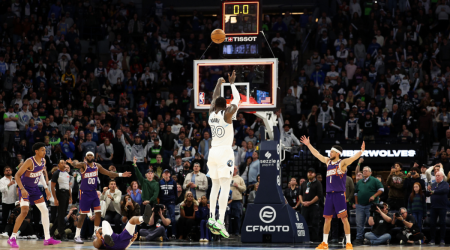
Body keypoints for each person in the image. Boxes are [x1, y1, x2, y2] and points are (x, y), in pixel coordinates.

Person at [300, 136, 365, 250]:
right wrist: (308, 145)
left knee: (344, 218)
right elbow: (317, 154)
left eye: (332, 151)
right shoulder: (328, 161)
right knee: (327, 218)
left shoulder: (342, 163)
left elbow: (353, 158)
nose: (330, 153)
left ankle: (348, 243)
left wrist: (361, 151)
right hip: (329, 194)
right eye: (330, 151)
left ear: (338, 153)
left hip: (339, 194)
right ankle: (324, 243)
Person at [66, 152, 131, 244]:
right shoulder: (84, 165)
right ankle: (77, 236)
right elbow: (76, 164)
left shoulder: (97, 166)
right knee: (83, 215)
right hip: (84, 193)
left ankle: (95, 233)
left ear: (94, 157)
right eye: (88, 155)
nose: (90, 156)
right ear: (85, 157)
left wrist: (121, 174)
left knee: (98, 212)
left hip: (93, 193)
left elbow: (108, 173)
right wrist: (71, 163)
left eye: (91, 155)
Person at [205, 70, 239, 238]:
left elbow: (214, 99)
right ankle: (221, 221)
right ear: (225, 106)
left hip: (212, 152)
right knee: (225, 186)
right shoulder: (228, 114)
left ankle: (212, 217)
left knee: (215, 186)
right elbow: (237, 101)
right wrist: (231, 84)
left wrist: (219, 83)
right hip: (225, 152)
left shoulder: (211, 114)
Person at [8, 142, 61, 248]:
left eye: (45, 150)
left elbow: (40, 173)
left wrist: (46, 188)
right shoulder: (29, 161)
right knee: (24, 212)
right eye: (42, 150)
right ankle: (12, 238)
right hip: (25, 188)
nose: (44, 152)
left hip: (35, 189)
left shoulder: (43, 161)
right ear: (36, 151)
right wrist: (22, 189)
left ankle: (47, 238)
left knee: (45, 210)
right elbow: (17, 175)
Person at [353, 166, 384, 245]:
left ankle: (372, 238)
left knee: (373, 222)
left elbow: (381, 189)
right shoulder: (359, 182)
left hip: (371, 205)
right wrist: (356, 203)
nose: (364, 172)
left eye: (366, 171)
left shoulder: (375, 180)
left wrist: (374, 196)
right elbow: (356, 193)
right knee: (359, 223)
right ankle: (359, 238)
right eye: (363, 171)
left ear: (370, 172)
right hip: (360, 205)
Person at [299, 167, 323, 242]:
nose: (310, 173)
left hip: (314, 206)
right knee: (303, 222)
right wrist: (302, 202)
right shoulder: (304, 183)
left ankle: (315, 239)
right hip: (304, 206)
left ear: (315, 174)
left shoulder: (318, 183)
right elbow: (300, 194)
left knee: (314, 223)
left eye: (311, 172)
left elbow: (319, 195)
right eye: (308, 172)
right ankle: (304, 238)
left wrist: (310, 202)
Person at [50, 160, 72, 241]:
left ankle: (51, 231)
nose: (63, 164)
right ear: (58, 165)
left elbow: (68, 186)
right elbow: (52, 187)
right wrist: (55, 198)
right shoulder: (56, 173)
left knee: (61, 215)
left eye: (64, 162)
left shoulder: (67, 174)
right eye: (61, 163)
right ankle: (61, 233)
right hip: (60, 193)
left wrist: (70, 197)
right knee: (61, 215)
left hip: (66, 194)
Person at [428, 171, 449, 246]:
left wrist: (433, 191)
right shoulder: (433, 184)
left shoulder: (445, 184)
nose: (437, 177)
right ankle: (432, 239)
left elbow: (445, 190)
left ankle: (442, 239)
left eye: (438, 175)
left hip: (442, 207)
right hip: (433, 207)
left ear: (442, 177)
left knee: (442, 223)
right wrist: (429, 190)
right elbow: (430, 192)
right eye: (436, 175)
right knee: (432, 223)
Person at [158, 169, 177, 238]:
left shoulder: (173, 182)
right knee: (161, 217)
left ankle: (173, 234)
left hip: (171, 202)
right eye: (165, 173)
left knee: (172, 218)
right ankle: (162, 233)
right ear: (162, 174)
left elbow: (176, 193)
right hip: (162, 202)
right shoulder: (160, 182)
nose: (166, 174)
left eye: (167, 173)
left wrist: (173, 200)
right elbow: (159, 193)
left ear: (169, 174)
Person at [229, 166, 246, 236]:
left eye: (234, 169)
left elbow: (244, 188)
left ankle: (237, 232)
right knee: (228, 217)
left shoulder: (240, 179)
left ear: (236, 170)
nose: (233, 170)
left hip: (236, 200)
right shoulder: (227, 178)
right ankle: (228, 231)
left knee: (237, 216)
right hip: (227, 200)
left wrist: (237, 186)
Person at [0, 166, 17, 234]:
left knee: (15, 218)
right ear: (4, 172)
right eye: (6, 170)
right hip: (6, 201)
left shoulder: (15, 178)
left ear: (11, 171)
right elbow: (1, 190)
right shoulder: (2, 180)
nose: (8, 171)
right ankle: (3, 232)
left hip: (14, 201)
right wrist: (9, 185)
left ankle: (14, 232)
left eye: (9, 170)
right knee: (5, 218)